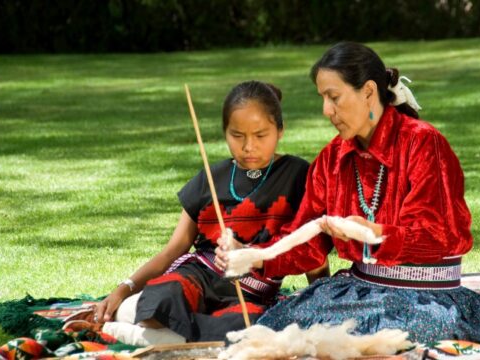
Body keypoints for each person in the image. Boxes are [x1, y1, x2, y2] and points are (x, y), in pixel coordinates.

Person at [217, 43, 480, 344]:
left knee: (402, 336)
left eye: (333, 97)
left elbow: (439, 236)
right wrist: (254, 256)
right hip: (363, 290)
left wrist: (376, 233)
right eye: (323, 98)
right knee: (278, 328)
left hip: (427, 297)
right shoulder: (332, 158)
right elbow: (308, 244)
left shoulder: (422, 143)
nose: (326, 111)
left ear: (368, 91)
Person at [90, 80, 329, 343]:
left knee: (247, 327)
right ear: (225, 132)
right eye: (237, 135)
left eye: (261, 135)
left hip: (251, 290)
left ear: (280, 131)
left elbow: (313, 251)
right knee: (161, 299)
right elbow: (174, 249)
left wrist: (322, 300)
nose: (248, 146)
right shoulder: (210, 176)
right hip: (199, 276)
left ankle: (148, 336)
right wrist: (124, 288)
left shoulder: (298, 175)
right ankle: (163, 327)